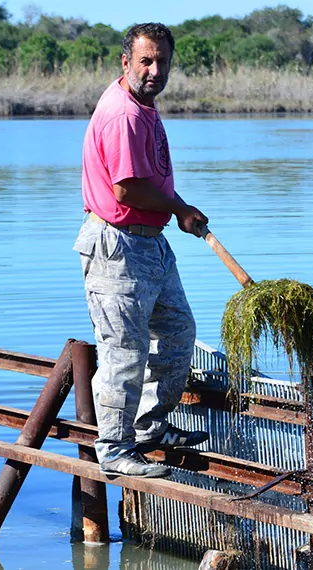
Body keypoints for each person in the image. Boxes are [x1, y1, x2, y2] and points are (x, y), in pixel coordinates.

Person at [72, 22, 209, 478]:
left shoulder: (143, 107)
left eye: (162, 61)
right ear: (126, 62)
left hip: (151, 243)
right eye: (145, 61)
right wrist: (180, 207)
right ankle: (114, 448)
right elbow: (127, 191)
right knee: (123, 351)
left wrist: (173, 213)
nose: (154, 70)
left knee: (177, 331)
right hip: (117, 245)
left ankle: (149, 428)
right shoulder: (124, 114)